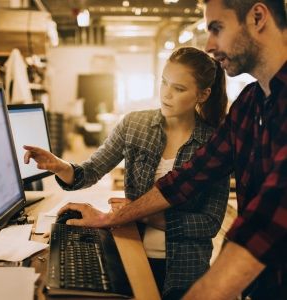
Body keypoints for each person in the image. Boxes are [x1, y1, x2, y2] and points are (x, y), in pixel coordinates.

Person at [53, 0, 287, 299]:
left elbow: (267, 217)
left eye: (217, 28)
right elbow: (188, 178)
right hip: (262, 286)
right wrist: (109, 219)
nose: (211, 45)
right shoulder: (250, 105)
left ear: (258, 17)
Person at [24, 47, 229, 299]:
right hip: (130, 247)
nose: (166, 93)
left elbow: (209, 223)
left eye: (179, 88)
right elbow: (88, 172)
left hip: (184, 268)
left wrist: (139, 214)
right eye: (164, 82)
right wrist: (60, 166)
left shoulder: (215, 143)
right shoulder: (134, 125)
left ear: (203, 94)